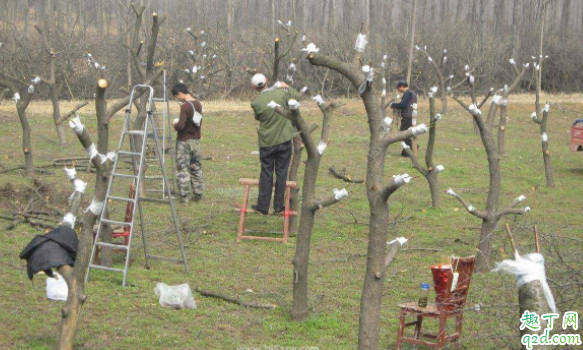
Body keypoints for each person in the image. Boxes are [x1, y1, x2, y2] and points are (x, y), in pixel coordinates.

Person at [249, 73, 300, 215]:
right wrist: (287, 87)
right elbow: (297, 97)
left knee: (266, 173)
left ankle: (263, 206)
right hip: (284, 140)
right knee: (282, 173)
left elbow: (258, 116)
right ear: (266, 81)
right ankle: (278, 206)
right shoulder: (282, 93)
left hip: (266, 142)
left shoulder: (256, 102)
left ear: (254, 87)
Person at [171, 83, 204, 203]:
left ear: (179, 93)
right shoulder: (198, 104)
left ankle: (185, 197)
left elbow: (181, 126)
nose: (177, 99)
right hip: (196, 141)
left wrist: (174, 124)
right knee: (196, 167)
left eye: (176, 97)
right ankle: (198, 194)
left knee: (182, 169)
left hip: (184, 142)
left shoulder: (185, 106)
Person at [390, 80, 418, 156]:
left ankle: (407, 153)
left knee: (404, 134)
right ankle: (411, 149)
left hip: (408, 117)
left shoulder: (408, 93)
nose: (398, 90)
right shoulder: (411, 92)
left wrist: (394, 105)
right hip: (411, 116)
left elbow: (403, 105)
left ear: (402, 86)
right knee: (408, 134)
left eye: (398, 88)